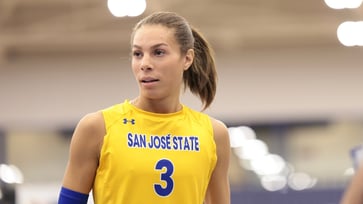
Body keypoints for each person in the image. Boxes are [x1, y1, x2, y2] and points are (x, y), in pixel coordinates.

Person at [58, 11, 231, 204]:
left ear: (187, 59)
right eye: (138, 54)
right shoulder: (98, 128)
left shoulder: (214, 134)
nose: (145, 64)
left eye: (158, 52)